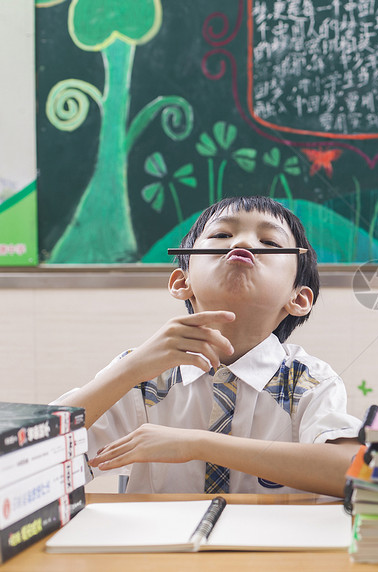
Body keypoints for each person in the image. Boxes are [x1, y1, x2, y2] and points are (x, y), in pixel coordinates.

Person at [54, 196, 361, 497]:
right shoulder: (141, 374)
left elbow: (352, 473)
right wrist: (130, 369)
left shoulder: (308, 380)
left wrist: (197, 444)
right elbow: (28, 459)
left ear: (299, 299)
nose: (241, 243)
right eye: (221, 234)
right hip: (155, 547)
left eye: (269, 242)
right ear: (180, 282)